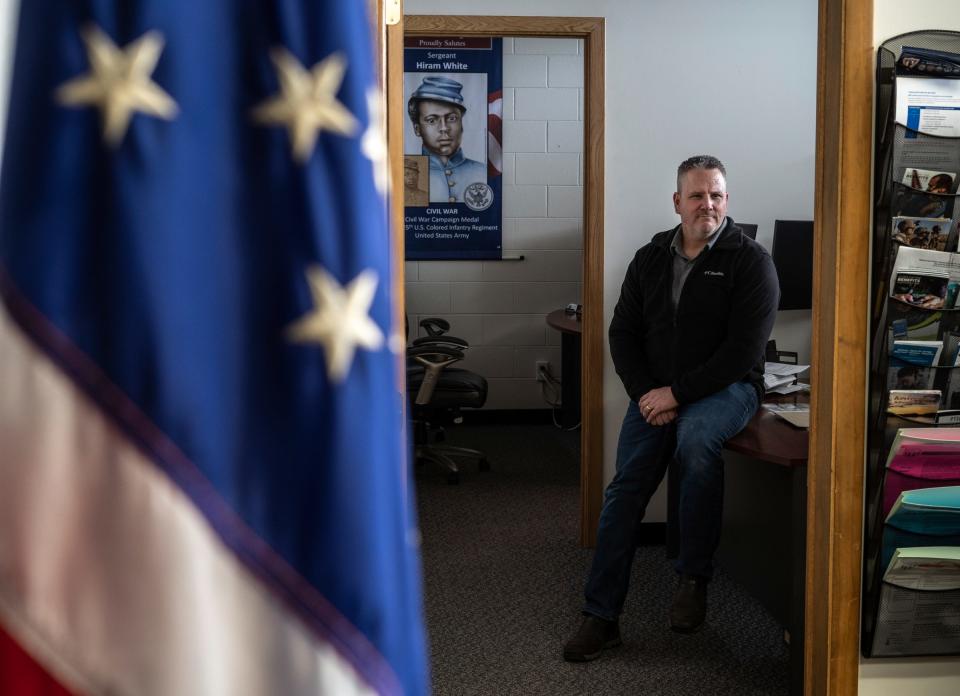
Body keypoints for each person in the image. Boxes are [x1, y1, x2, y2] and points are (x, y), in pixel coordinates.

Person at [563, 155, 780, 662]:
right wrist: (646, 393)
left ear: (727, 200)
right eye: (698, 195)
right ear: (677, 201)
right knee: (624, 490)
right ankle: (601, 615)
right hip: (655, 392)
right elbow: (622, 332)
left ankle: (692, 577)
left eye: (718, 195)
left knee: (697, 443)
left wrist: (677, 395)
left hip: (726, 389)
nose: (709, 204)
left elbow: (742, 352)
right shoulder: (651, 257)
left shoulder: (751, 261)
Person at [407, 76, 487, 204]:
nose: (444, 128)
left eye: (452, 119)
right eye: (432, 120)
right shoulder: (405, 175)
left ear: (461, 123)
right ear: (417, 129)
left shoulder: (483, 172)